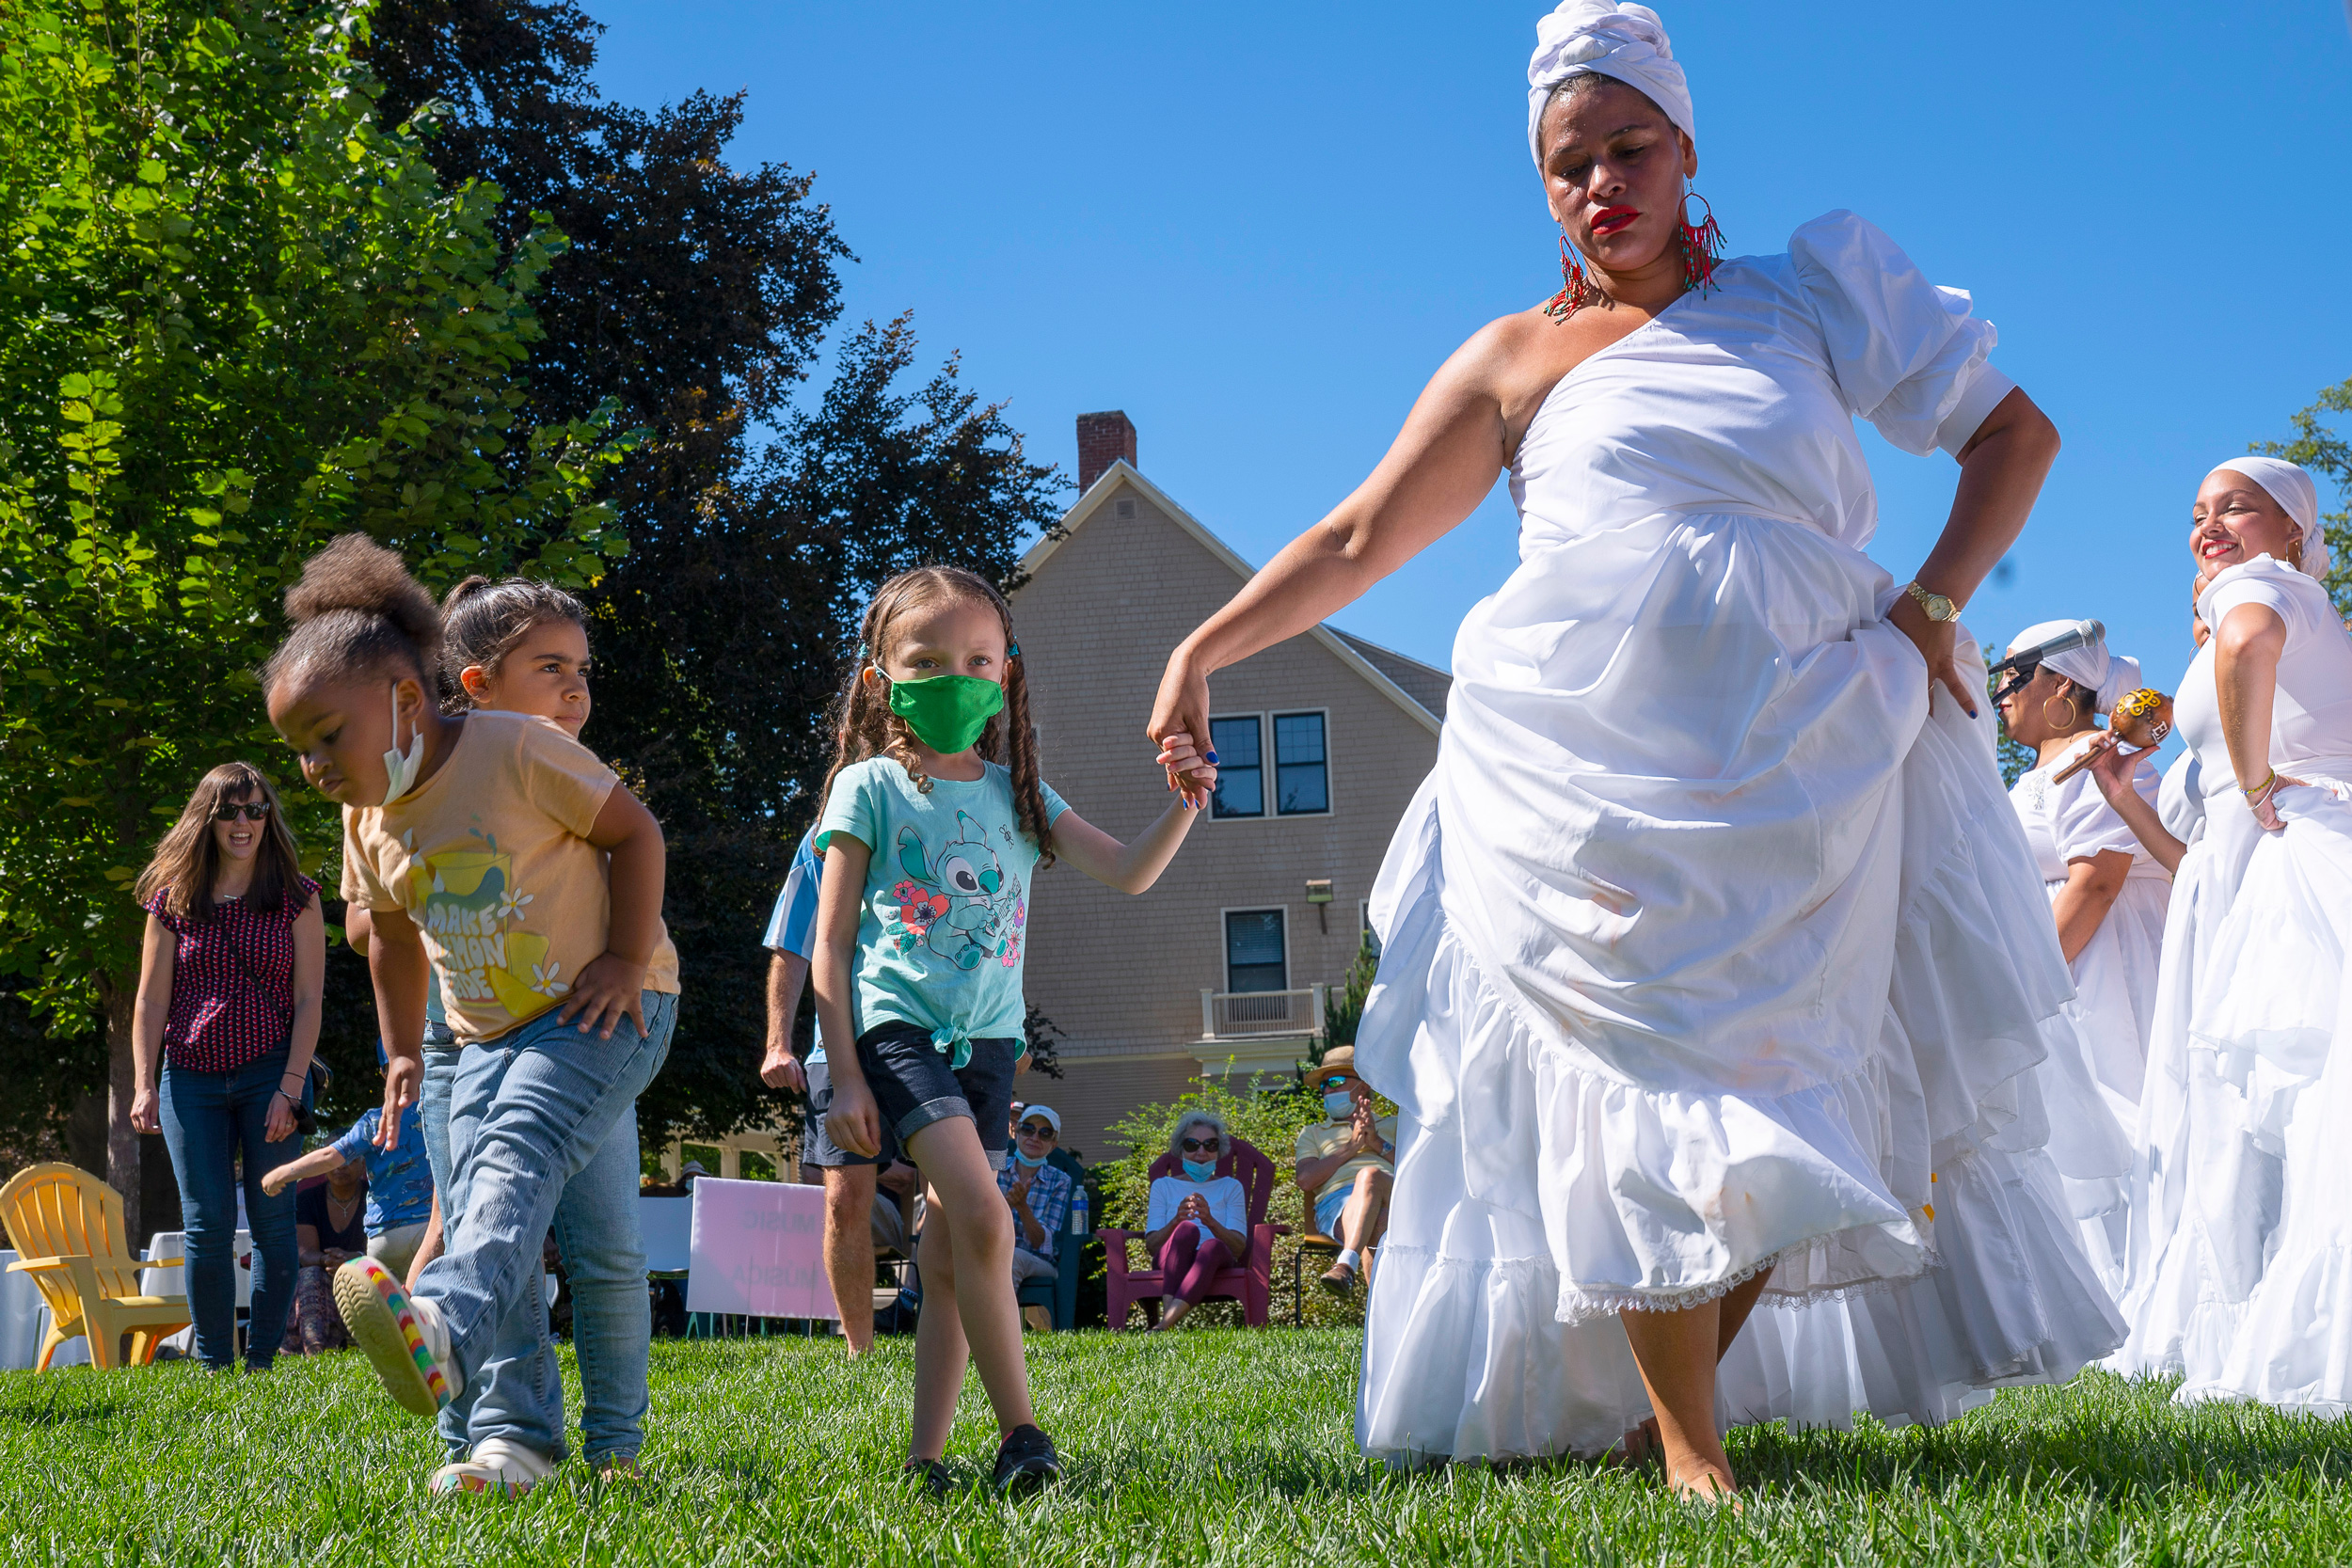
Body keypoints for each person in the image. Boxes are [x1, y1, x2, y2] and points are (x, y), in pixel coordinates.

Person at [1149, 1, 2102, 1496]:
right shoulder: (1516, 355)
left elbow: (2015, 433)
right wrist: (1201, 647)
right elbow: (1356, 532)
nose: (1603, 182)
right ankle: (1685, 1443)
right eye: (1569, 163)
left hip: (1812, 752)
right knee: (1646, 1065)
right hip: (1588, 757)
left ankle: (1654, 1399)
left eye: (1630, 148)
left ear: (1688, 147)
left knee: (1784, 1084)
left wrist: (1929, 606)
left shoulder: (1806, 297)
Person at [262, 534, 680, 1498]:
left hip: (603, 1008)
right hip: (486, 1031)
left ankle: (441, 1320)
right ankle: (516, 1442)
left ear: (407, 699)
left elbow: (635, 830)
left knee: (516, 1158)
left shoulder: (513, 747)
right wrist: (404, 1054)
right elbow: (399, 939)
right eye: (301, 749)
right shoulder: (367, 817)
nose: (316, 765)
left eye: (329, 734)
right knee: (498, 1193)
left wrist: (624, 955)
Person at [810, 564, 1214, 1494]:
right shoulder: (867, 787)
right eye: (929, 659)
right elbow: (830, 946)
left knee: (952, 1252)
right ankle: (1024, 1434)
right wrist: (848, 1074)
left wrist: (1185, 800)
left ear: (1007, 675)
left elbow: (1130, 871)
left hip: (989, 1048)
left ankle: (924, 1459)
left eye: (977, 658)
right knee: (989, 1216)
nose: (956, 675)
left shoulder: (1021, 795)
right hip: (897, 1033)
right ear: (881, 676)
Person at [2108, 458, 2352, 1408]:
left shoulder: (2260, 592)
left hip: (2298, 859)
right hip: (2273, 863)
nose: (2207, 528)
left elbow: (2246, 644)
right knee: (2292, 1108)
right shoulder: (2297, 605)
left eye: (2234, 508)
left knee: (2305, 1102)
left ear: (2291, 527)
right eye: (2197, 514)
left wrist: (2254, 781)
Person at [1993, 624, 2171, 1293]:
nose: (2000, 691)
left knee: (2116, 1107)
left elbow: (2095, 881)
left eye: (2012, 675)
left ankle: (2137, 1291)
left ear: (2061, 683)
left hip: (2100, 968)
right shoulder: (2042, 775)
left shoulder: (2097, 761)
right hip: (2060, 959)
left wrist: (2025, 981)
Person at [129, 762, 323, 1372]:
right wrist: (142, 1082)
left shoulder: (297, 896)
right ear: (207, 819)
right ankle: (215, 1365)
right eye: (231, 811)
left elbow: (310, 1000)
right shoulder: (173, 900)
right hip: (190, 1075)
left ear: (269, 816)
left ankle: (261, 1362)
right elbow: (150, 1000)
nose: (244, 822)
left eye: (256, 809)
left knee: (271, 1217)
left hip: (271, 1072)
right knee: (206, 1221)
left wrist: (290, 1088)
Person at [759, 826, 919, 1354]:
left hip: (931, 1041)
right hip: (838, 1045)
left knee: (949, 1196)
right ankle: (860, 1351)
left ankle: (949, 1338)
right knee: (844, 1202)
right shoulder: (823, 837)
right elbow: (793, 941)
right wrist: (778, 1042)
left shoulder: (941, 803)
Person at [259, 1101, 435, 1279]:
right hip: (429, 1230)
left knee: (387, 1305)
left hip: (387, 1236)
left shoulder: (376, 1120)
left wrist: (282, 1174)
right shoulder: (437, 1112)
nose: (342, 1167)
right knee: (429, 1303)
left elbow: (330, 1156)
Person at [1294, 1046, 1394, 1297]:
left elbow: (1420, 1172)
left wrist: (1377, 1144)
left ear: (1362, 1087)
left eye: (1335, 1082)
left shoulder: (1395, 1124)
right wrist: (1351, 1147)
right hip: (1339, 1207)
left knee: (1370, 1175)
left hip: (1398, 1195)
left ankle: (1345, 1264)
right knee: (1378, 1221)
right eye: (1323, 1086)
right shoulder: (1313, 1133)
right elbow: (1305, 1180)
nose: (1327, 1090)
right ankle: (1381, 1321)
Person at [1141, 1112, 1249, 1332]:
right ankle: (1166, 1325)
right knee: (1186, 1230)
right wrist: (1175, 1221)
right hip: (1172, 1255)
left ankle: (1164, 1324)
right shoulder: (1163, 1186)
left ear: (1219, 1151)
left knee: (1211, 1246)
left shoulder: (1231, 1187)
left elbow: (1238, 1247)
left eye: (1210, 1145)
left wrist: (1210, 1222)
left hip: (1214, 1259)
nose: (1201, 1153)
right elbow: (1152, 1246)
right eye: (1192, 1145)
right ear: (1180, 1149)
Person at [1001, 1106, 1073, 1331]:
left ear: (1054, 1144)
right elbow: (978, 1225)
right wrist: (1006, 1205)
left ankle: (1000, 1336)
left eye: (1045, 1133)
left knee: (1010, 1259)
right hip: (990, 1250)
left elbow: (1040, 1243)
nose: (1034, 1137)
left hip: (1039, 1260)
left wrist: (1022, 1207)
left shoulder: (1060, 1181)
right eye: (1028, 1129)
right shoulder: (995, 1170)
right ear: (1017, 1133)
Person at [289, 1159, 370, 1354]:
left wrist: (354, 1259)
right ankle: (315, 1350)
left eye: (349, 1160)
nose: (341, 1166)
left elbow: (380, 1248)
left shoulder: (376, 1196)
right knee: (310, 1274)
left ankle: (368, 1344)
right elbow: (305, 1254)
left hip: (365, 1273)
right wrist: (327, 1260)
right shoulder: (307, 1199)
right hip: (324, 1277)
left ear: (363, 1165)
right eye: (334, 1160)